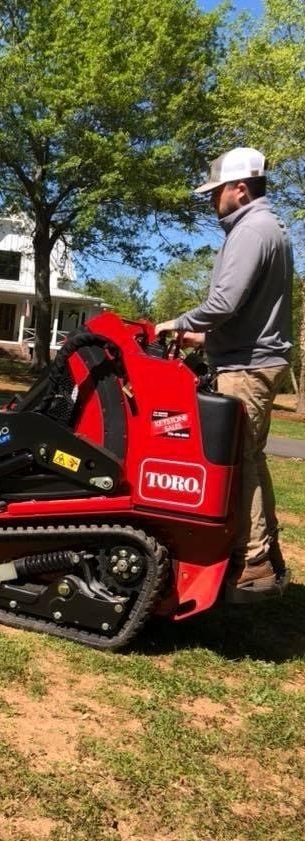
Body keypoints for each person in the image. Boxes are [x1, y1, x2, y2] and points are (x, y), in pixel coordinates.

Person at [156, 147, 293, 593]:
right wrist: (207, 339)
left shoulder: (252, 230)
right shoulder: (269, 226)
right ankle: (265, 553)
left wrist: (177, 324)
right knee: (252, 459)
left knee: (239, 465)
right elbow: (247, 312)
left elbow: (225, 303)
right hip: (253, 358)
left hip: (247, 367)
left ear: (240, 188)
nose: (212, 200)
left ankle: (252, 561)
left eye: (216, 192)